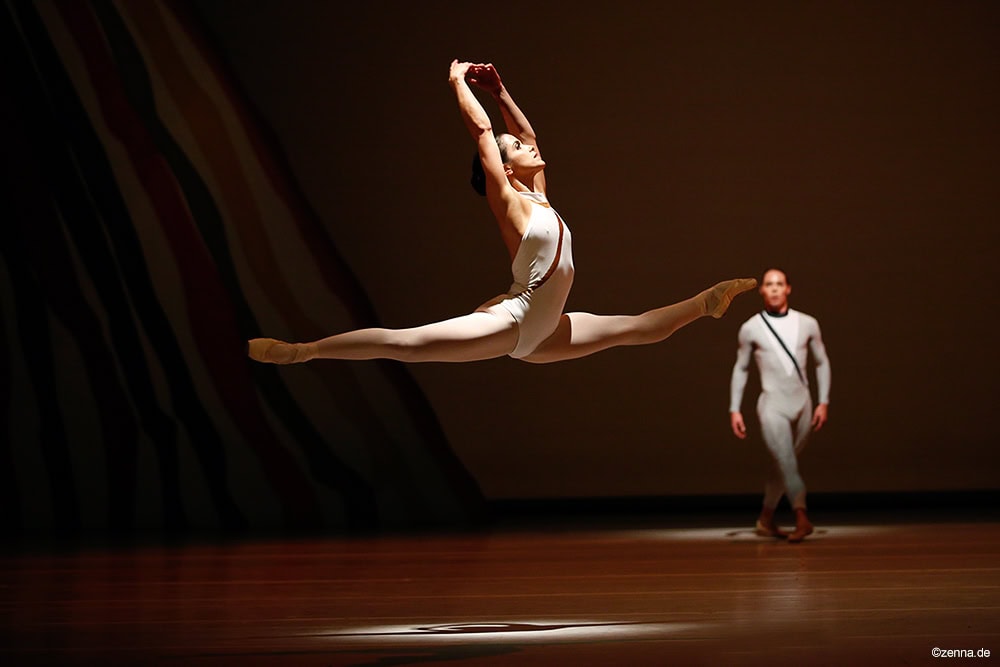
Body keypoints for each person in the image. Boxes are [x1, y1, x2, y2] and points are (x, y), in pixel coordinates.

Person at [248, 60, 756, 366]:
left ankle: (707, 302)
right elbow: (483, 134)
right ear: (504, 168)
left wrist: (500, 91)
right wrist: (458, 82)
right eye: (516, 149)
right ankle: (304, 350)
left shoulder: (539, 195)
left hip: (545, 332)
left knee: (639, 328)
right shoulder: (510, 202)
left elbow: (526, 136)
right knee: (407, 344)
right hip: (515, 320)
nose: (529, 146)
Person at [729, 269, 831, 542]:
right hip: (772, 404)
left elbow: (821, 361)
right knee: (787, 461)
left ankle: (765, 518)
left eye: (779, 284)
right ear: (762, 290)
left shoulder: (807, 323)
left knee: (784, 463)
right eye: (769, 284)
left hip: (803, 403)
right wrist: (734, 408)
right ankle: (801, 516)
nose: (774, 288)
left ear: (788, 288)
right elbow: (741, 368)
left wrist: (823, 401)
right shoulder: (751, 327)